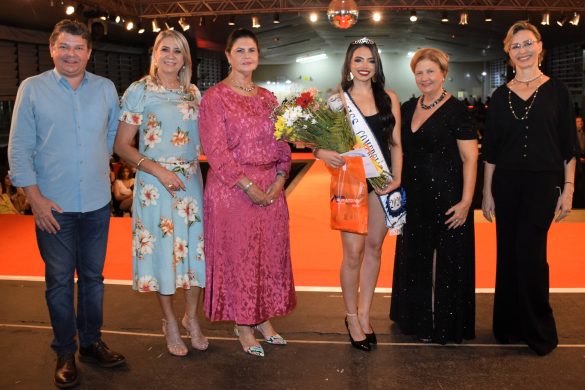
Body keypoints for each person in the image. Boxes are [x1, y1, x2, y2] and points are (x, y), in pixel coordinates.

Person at [7, 19, 125, 388]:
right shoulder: (32, 89)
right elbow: (19, 148)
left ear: (89, 52)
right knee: (59, 282)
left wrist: (94, 164)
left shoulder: (106, 89)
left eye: (79, 48)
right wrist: (36, 199)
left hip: (95, 203)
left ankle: (90, 343)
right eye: (64, 47)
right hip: (52, 207)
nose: (71, 54)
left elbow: (111, 137)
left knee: (93, 280)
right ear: (52, 48)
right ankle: (64, 351)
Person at [481, 21, 578, 356]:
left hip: (542, 184)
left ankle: (538, 330)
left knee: (532, 256)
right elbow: (490, 151)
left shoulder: (558, 92)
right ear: (508, 53)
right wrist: (486, 192)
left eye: (527, 43)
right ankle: (507, 326)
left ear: (539, 47)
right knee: (507, 254)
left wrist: (568, 190)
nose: (521, 50)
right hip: (506, 185)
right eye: (515, 45)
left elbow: (569, 148)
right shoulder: (499, 95)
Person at [199, 28, 296, 357]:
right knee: (240, 259)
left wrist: (281, 179)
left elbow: (284, 143)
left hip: (271, 189)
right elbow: (216, 152)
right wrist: (248, 186)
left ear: (258, 56)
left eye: (251, 50)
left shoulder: (268, 98)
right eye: (239, 50)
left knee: (268, 257)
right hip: (233, 192)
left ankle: (263, 320)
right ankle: (242, 325)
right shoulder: (214, 97)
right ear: (228, 56)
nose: (246, 56)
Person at [114, 29, 208, 357]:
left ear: (185, 58)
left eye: (177, 51)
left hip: (191, 184)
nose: (171, 56)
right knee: (165, 256)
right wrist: (159, 171)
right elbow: (121, 146)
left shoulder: (192, 92)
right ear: (154, 54)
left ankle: (191, 318)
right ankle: (169, 321)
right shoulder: (139, 91)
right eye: (164, 49)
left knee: (196, 254)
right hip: (155, 185)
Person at [315, 38, 402, 351]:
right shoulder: (336, 100)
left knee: (375, 249)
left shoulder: (389, 98)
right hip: (349, 183)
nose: (365, 66)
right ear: (349, 65)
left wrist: (397, 178)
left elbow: (395, 145)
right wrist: (322, 153)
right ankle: (351, 317)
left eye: (370, 61)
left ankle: (366, 314)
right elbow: (317, 142)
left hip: (381, 181)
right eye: (358, 61)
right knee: (353, 254)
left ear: (377, 66)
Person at [390, 48, 478, 344]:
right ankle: (416, 321)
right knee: (414, 259)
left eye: (430, 71)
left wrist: (467, 202)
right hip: (413, 198)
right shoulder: (408, 106)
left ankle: (445, 324)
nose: (424, 78)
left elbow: (470, 159)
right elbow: (395, 146)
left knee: (448, 262)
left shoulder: (457, 111)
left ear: (443, 73)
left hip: (447, 198)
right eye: (419, 72)